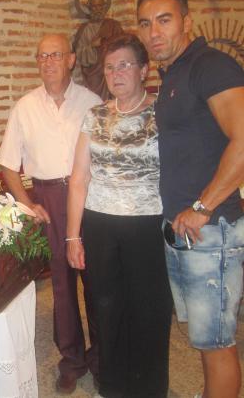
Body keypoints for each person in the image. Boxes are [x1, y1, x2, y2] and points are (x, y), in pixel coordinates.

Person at [137, 0, 244, 398]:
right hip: (186, 229)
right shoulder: (175, 73)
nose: (154, 32)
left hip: (211, 230)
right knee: (204, 336)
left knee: (218, 342)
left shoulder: (210, 66)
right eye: (145, 23)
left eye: (164, 20)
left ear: (187, 21)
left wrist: (202, 206)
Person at [66, 34, 172, 397]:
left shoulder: (162, 113)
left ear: (144, 70)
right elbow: (79, 178)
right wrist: (73, 235)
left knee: (149, 309)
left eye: (125, 64)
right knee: (105, 309)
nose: (116, 73)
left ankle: (149, 388)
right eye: (110, 67)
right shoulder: (95, 115)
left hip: (148, 225)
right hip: (100, 225)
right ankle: (112, 386)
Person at [0, 33, 101, 395]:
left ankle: (101, 358)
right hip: (49, 199)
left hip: (91, 197)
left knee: (97, 282)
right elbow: (8, 164)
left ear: (71, 60)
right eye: (42, 56)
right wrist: (26, 201)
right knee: (62, 284)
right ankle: (71, 360)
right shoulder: (24, 107)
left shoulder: (92, 103)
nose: (48, 62)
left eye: (56, 55)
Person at [73, 0, 124, 100]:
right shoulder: (84, 29)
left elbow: (124, 47)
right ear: (90, 8)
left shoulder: (113, 26)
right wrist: (92, 46)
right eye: (94, 6)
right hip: (93, 76)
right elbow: (79, 53)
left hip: (112, 71)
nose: (97, 9)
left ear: (104, 7)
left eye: (100, 6)